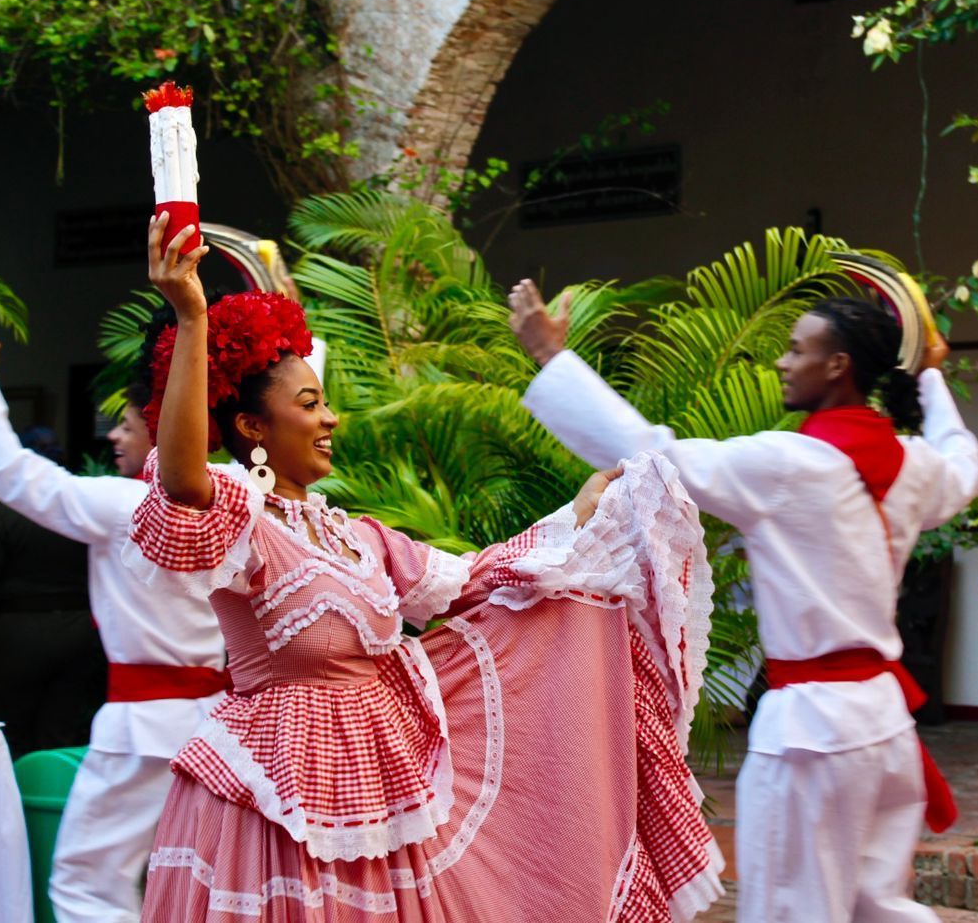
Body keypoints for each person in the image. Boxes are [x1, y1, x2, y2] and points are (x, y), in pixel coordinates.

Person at [127, 213, 724, 922]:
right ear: (254, 428)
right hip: (276, 790)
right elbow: (182, 484)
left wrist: (583, 515)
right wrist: (192, 316)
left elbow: (478, 580)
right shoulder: (241, 516)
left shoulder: (359, 537)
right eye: (310, 404)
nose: (330, 420)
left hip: (381, 783)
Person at [509, 280, 978, 923]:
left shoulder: (790, 465)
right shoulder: (915, 465)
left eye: (797, 350)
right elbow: (965, 465)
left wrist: (550, 357)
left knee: (793, 910)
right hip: (886, 725)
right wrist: (931, 379)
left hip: (810, 733)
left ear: (837, 365)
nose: (783, 362)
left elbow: (654, 452)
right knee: (881, 907)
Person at [0, 307, 228, 923]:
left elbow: (14, 476)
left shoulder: (126, 504)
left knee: (84, 884)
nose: (115, 437)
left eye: (128, 425)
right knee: (191, 878)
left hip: (145, 727)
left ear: (163, 431)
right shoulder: (234, 503)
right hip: (216, 724)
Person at [0, 473, 106, 757]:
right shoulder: (80, 515)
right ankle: (51, 799)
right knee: (61, 736)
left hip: (17, 636)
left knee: (6, 737)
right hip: (79, 633)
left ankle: (12, 800)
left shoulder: (3, 514)